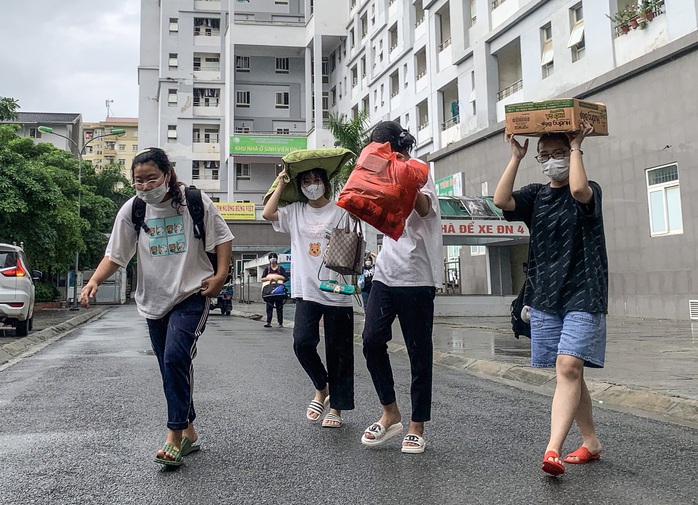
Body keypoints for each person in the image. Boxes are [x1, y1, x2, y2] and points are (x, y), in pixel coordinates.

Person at [79, 147, 233, 467]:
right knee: (168, 366)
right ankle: (189, 431)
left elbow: (222, 237)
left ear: (167, 175)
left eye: (152, 179)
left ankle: (174, 435)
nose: (146, 186)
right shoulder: (133, 210)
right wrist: (94, 281)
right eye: (139, 180)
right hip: (153, 300)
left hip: (192, 292)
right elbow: (116, 255)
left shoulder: (193, 201)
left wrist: (220, 276)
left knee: (176, 356)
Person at [493, 120, 608, 476]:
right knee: (570, 373)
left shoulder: (590, 190)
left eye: (558, 153)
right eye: (545, 156)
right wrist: (516, 157)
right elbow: (501, 200)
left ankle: (552, 449)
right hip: (545, 295)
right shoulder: (536, 195)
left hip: (584, 291)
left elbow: (577, 190)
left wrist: (575, 147)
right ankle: (590, 441)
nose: (551, 161)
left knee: (568, 367)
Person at [360, 121, 444, 454]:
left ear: (396, 148)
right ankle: (390, 412)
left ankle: (416, 426)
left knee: (418, 353)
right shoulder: (378, 174)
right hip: (385, 273)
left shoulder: (419, 170)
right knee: (370, 340)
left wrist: (405, 179)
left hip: (418, 277)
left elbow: (425, 210)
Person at [262, 166, 354, 429]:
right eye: (306, 181)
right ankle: (321, 387)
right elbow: (268, 213)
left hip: (337, 288)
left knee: (339, 352)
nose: (311, 185)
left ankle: (336, 407)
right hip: (306, 289)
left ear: (325, 183)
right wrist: (280, 182)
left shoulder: (340, 211)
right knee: (302, 343)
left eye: (316, 180)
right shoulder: (296, 212)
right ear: (300, 186)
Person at [261, 252, 288, 328]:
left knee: (279, 307)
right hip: (269, 291)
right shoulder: (267, 269)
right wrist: (269, 278)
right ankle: (268, 322)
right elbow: (262, 278)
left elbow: (286, 278)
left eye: (274, 257)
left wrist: (277, 278)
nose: (272, 259)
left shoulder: (280, 269)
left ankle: (280, 323)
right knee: (269, 307)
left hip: (278, 290)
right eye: (271, 258)